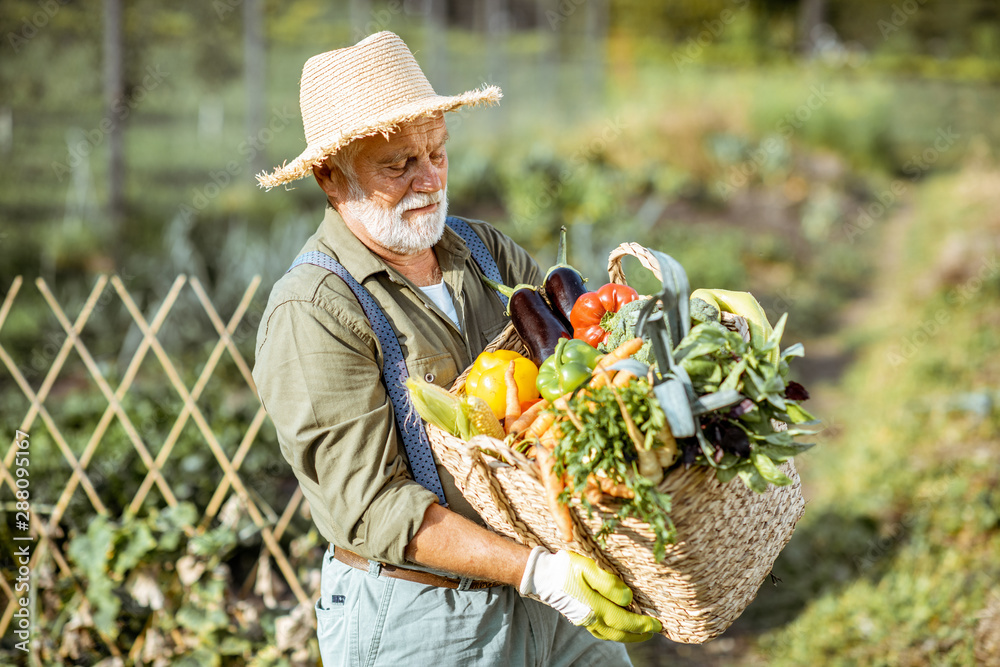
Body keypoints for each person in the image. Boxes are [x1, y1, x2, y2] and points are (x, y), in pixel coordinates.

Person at [252, 31, 661, 666]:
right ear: (332, 178)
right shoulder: (315, 310)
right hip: (426, 618)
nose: (429, 180)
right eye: (397, 165)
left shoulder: (484, 252)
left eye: (437, 152)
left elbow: (575, 379)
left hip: (552, 588)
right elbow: (372, 509)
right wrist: (539, 573)